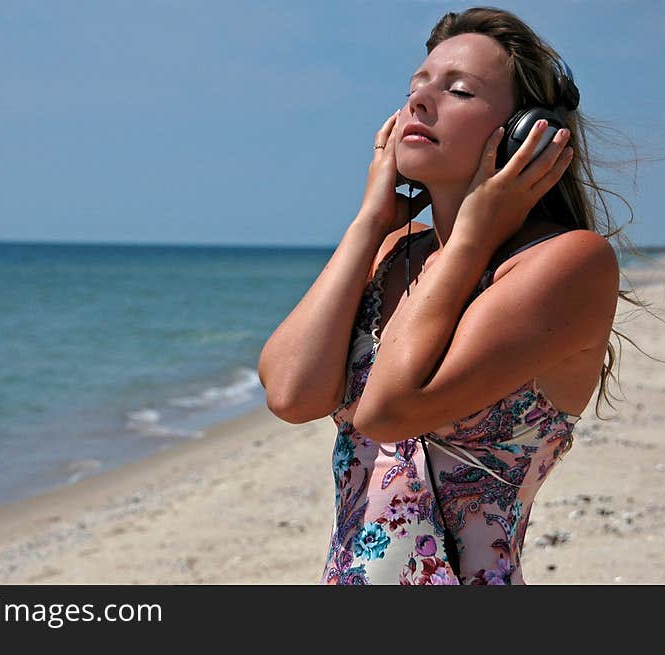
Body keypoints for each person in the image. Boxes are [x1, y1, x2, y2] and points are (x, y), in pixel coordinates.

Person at [257, 7, 620, 584]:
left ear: (528, 132)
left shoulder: (569, 264)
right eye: (415, 88)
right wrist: (368, 224)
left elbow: (387, 411)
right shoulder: (393, 249)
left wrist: (473, 234)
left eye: (458, 90)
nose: (421, 103)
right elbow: (291, 394)